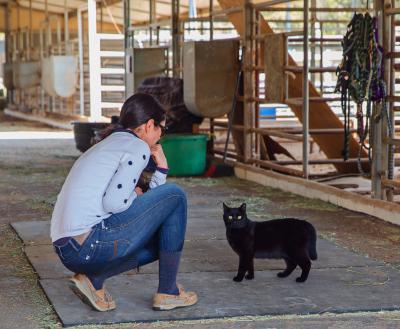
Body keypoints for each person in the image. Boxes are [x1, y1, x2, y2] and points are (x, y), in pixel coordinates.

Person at [51, 93, 198, 312]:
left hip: (67, 249)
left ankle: (95, 278)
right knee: (175, 195)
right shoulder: (136, 147)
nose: (160, 137)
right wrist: (136, 194)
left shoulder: (107, 144)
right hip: (87, 245)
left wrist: (159, 173)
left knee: (166, 237)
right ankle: (168, 291)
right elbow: (114, 202)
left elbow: (149, 209)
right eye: (161, 129)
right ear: (149, 125)